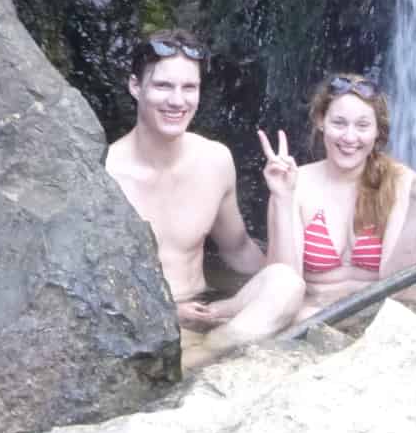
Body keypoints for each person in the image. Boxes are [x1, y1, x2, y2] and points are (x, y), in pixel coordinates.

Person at [105, 29, 303, 369]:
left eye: (189, 88)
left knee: (286, 284)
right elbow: (94, 284)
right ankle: (203, 359)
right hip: (142, 325)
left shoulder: (215, 160)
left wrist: (283, 198)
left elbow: (239, 251)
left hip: (209, 314)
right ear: (136, 87)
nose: (177, 101)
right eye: (163, 86)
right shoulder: (104, 173)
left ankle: (203, 355)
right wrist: (166, 310)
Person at [258, 72, 416, 321]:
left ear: (376, 131)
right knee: (299, 314)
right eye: (339, 123)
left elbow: (398, 285)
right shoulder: (293, 183)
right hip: (317, 310)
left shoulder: (402, 181)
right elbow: (282, 282)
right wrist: (282, 199)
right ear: (321, 121)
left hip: (385, 307)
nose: (350, 137)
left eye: (362, 126)